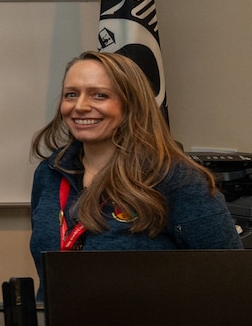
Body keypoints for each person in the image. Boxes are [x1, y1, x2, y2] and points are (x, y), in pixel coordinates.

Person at [28, 50, 238, 291]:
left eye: (99, 95)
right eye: (71, 94)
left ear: (131, 104)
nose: (80, 106)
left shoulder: (178, 179)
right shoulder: (50, 172)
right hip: (58, 315)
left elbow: (231, 278)